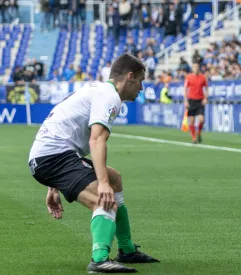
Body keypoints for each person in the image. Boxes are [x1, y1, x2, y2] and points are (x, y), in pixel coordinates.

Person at [28, 53, 160, 273]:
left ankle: (127, 250)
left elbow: (62, 127)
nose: (142, 87)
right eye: (140, 81)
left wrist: (53, 185)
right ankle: (99, 259)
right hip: (53, 157)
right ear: (129, 77)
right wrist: (102, 183)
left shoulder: (97, 90)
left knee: (114, 179)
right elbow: (97, 139)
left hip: (51, 156)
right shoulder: (109, 97)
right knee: (104, 199)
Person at [184, 62, 208, 143]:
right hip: (191, 100)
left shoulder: (203, 77)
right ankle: (194, 137)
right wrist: (186, 100)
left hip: (200, 100)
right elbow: (185, 89)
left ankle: (199, 133)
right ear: (192, 68)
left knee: (201, 119)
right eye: (194, 67)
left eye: (197, 67)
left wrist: (205, 98)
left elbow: (207, 88)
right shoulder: (189, 77)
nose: (196, 68)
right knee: (192, 120)